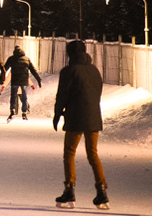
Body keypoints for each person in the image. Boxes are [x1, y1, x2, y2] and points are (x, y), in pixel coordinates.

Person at [53, 40, 109, 210]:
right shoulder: (94, 71)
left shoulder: (69, 71)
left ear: (70, 54)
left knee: (69, 152)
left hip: (75, 117)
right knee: (93, 154)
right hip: (93, 117)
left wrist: (57, 114)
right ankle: (102, 192)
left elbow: (62, 94)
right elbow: (97, 93)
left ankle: (69, 190)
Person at [4, 45, 42, 121]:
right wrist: (38, 79)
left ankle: (12, 111)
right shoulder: (27, 59)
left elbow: (5, 68)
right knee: (24, 97)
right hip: (24, 81)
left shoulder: (11, 59)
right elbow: (33, 70)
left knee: (13, 96)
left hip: (15, 80)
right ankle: (24, 112)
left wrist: (1, 78)